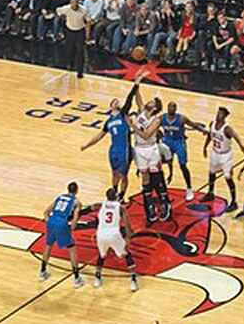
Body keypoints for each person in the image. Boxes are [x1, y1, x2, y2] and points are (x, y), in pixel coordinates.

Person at [81, 79, 140, 199]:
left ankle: (121, 196)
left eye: (118, 101)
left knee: (123, 175)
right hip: (113, 150)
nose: (117, 102)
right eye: (115, 101)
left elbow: (129, 99)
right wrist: (86, 145)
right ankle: (114, 191)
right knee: (114, 173)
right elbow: (99, 136)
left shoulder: (123, 115)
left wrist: (136, 83)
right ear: (110, 106)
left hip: (125, 149)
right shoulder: (108, 122)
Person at [131, 87, 171, 224]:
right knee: (145, 179)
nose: (149, 101)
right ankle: (150, 209)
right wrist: (136, 84)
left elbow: (147, 135)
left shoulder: (156, 119)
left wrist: (132, 126)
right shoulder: (142, 111)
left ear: (155, 108)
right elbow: (138, 98)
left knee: (157, 176)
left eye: (152, 102)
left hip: (151, 148)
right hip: (139, 148)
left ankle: (165, 203)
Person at [39, 181, 84, 287]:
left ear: (68, 189)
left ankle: (42, 272)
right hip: (62, 223)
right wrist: (71, 228)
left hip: (52, 221)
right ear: (77, 190)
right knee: (72, 249)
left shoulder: (59, 197)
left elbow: (45, 212)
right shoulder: (77, 202)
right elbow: (75, 218)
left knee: (48, 246)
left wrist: (49, 222)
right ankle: (77, 279)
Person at [93, 187, 138, 292]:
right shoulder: (120, 207)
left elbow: (90, 208)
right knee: (126, 254)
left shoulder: (101, 205)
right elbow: (126, 224)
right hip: (113, 234)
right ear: (116, 197)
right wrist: (129, 235)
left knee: (102, 255)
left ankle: (97, 278)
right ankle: (133, 280)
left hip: (101, 234)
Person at [202, 106, 244, 213]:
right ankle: (210, 193)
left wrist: (241, 146)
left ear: (225, 117)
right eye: (217, 113)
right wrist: (205, 146)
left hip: (226, 155)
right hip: (215, 152)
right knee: (211, 173)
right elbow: (210, 135)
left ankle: (234, 202)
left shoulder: (227, 129)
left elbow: (235, 136)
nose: (218, 115)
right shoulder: (212, 124)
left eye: (220, 114)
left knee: (228, 177)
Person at [160, 102, 207, 201]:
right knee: (159, 162)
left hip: (179, 142)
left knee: (183, 166)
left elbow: (193, 125)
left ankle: (189, 188)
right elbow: (153, 126)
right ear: (167, 108)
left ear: (176, 109)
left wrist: (203, 130)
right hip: (167, 141)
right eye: (169, 107)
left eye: (173, 107)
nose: (171, 109)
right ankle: (161, 184)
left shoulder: (181, 118)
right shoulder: (162, 118)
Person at [60, 0, 91, 78]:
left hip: (80, 31)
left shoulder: (84, 10)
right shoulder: (66, 9)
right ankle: (70, 64)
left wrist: (87, 34)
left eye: (76, 2)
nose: (74, 4)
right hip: (70, 31)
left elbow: (88, 22)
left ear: (78, 3)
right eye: (73, 3)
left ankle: (80, 71)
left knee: (80, 51)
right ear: (70, 3)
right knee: (70, 49)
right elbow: (58, 11)